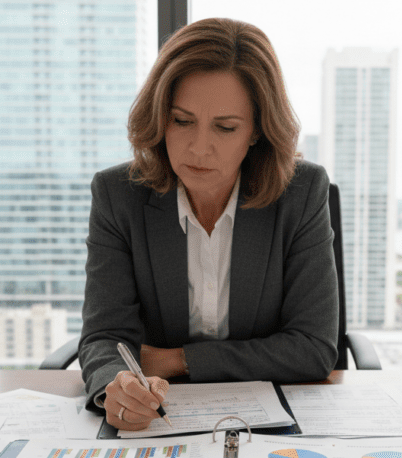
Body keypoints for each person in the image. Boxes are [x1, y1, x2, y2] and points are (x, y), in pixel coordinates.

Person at [79, 17, 339, 430]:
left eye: (225, 127)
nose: (200, 148)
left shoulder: (302, 193)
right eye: (182, 121)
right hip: (161, 423)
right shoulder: (118, 195)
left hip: (270, 425)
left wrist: (176, 359)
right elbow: (104, 338)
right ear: (160, 117)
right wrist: (119, 384)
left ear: (256, 131)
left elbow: (313, 348)